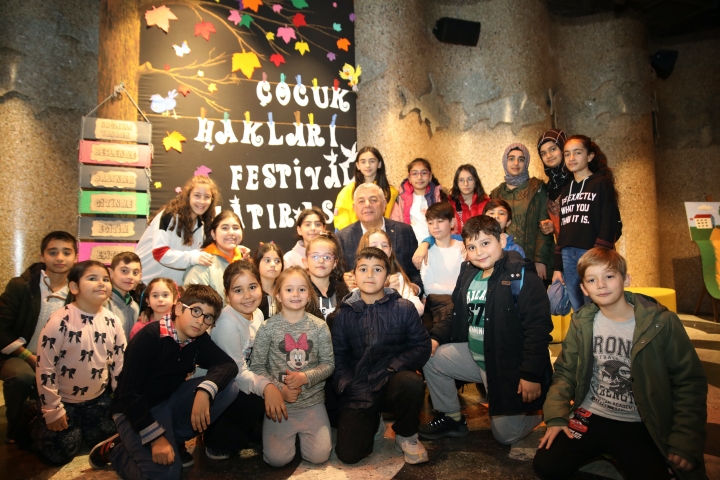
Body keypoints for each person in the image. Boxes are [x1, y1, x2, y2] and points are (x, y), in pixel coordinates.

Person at [533, 248, 708, 480]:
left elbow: (688, 382)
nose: (601, 285)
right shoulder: (582, 322)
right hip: (592, 414)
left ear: (626, 279)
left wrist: (684, 439)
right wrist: (556, 416)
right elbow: (565, 373)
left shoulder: (661, 323)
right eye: (592, 280)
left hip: (640, 420)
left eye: (609, 276)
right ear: (584, 288)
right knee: (546, 465)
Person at [419, 215, 553, 445]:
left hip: (508, 367)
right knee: (429, 356)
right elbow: (456, 313)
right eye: (472, 247)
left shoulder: (521, 276)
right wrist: (435, 338)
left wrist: (530, 374)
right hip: (477, 359)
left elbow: (538, 329)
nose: (479, 252)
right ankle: (452, 418)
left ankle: (541, 411)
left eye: (485, 243)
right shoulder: (468, 273)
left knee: (505, 436)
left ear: (501, 240)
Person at [89, 284, 239, 478]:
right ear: (179, 308)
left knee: (228, 388)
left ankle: (173, 440)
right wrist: (156, 439)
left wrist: (205, 391)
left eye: (208, 317)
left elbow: (227, 364)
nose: (200, 321)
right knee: (166, 476)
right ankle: (116, 450)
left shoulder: (198, 340)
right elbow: (128, 394)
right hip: (134, 411)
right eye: (196, 311)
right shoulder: (149, 337)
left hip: (168, 402)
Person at [333, 247, 431, 465]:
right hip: (360, 388)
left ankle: (406, 434)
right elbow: (339, 358)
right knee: (349, 455)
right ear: (354, 275)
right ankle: (372, 419)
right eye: (363, 269)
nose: (370, 275)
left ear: (387, 276)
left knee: (411, 383)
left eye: (377, 269)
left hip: (391, 380)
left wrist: (392, 367)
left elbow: (421, 346)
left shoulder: (404, 308)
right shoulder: (342, 315)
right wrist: (348, 385)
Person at [32, 260, 125, 465]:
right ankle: (33, 414)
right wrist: (52, 410)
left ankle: (83, 426)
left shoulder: (113, 320)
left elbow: (119, 364)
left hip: (97, 399)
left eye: (105, 279)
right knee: (58, 454)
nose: (101, 283)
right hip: (64, 400)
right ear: (74, 287)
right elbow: (45, 367)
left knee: (113, 439)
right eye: (92, 278)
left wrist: (120, 401)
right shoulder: (59, 321)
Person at [249, 267, 334, 467]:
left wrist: (305, 377)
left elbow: (328, 364)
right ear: (278, 295)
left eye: (301, 289)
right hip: (280, 406)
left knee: (319, 456)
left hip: (312, 403)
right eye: (289, 290)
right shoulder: (267, 328)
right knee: (277, 460)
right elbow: (257, 367)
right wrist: (280, 391)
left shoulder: (320, 327)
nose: (296, 294)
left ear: (309, 295)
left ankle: (304, 437)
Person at [202, 261, 285, 460]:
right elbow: (236, 372)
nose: (247, 295)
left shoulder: (257, 314)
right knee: (255, 395)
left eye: (252, 287)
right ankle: (216, 440)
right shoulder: (227, 323)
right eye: (238, 290)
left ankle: (247, 432)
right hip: (223, 388)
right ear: (227, 295)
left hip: (244, 378)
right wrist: (268, 387)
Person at [0, 231, 78, 444]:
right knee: (21, 377)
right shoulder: (22, 286)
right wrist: (29, 357)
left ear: (75, 257)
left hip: (57, 357)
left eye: (66, 252)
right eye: (53, 252)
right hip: (19, 354)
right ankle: (15, 429)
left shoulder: (77, 290)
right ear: (42, 256)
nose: (59, 258)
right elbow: (2, 329)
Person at [552, 136, 623, 313]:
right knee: (578, 307)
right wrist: (558, 267)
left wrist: (599, 253)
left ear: (590, 156)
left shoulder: (601, 183)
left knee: (597, 303)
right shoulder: (566, 190)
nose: (571, 158)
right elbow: (564, 229)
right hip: (568, 254)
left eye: (577, 153)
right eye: (567, 154)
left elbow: (609, 221)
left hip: (591, 252)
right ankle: (583, 332)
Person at [336, 183, 422, 292]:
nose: (367, 204)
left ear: (384, 204)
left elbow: (416, 273)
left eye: (373, 200)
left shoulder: (404, 231)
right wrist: (345, 283)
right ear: (354, 208)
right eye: (361, 201)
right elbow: (336, 278)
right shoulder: (342, 238)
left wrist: (414, 289)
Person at [135, 175, 220, 284]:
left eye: (207, 197)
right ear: (188, 196)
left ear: (212, 200)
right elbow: (159, 253)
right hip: (144, 286)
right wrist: (192, 258)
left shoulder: (202, 227)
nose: (202, 201)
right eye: (197, 195)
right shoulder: (169, 216)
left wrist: (233, 249)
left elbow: (204, 256)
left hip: (171, 291)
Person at [489, 143, 554, 280]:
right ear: (505, 161)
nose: (516, 163)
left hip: (532, 260)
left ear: (527, 162)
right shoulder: (496, 193)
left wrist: (540, 260)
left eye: (521, 159)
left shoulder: (537, 188)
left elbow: (544, 227)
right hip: (505, 262)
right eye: (511, 158)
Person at [183, 210, 249, 301]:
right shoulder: (202, 263)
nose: (231, 232)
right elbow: (194, 303)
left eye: (236, 228)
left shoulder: (244, 262)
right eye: (225, 228)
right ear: (213, 234)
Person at [355, 229, 424, 315]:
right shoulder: (358, 279)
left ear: (390, 251)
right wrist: (386, 292)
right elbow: (362, 313)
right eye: (374, 246)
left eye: (384, 246)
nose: (380, 249)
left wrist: (394, 296)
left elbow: (418, 309)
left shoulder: (398, 278)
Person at [420, 202, 466, 329]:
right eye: (430, 223)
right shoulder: (426, 252)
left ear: (452, 222)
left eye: (440, 221)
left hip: (462, 303)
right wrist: (458, 290)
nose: (435, 226)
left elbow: (467, 281)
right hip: (436, 305)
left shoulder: (463, 248)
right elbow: (429, 288)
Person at [334, 146, 399, 231]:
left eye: (372, 161)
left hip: (384, 236)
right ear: (358, 165)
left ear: (379, 164)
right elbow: (342, 225)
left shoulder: (391, 192)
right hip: (355, 237)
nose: (367, 165)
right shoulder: (347, 191)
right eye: (363, 162)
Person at [391, 158, 444, 244]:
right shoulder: (400, 199)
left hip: (436, 245)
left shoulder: (439, 197)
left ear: (430, 176)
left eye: (424, 173)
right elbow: (396, 225)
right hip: (409, 246)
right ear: (409, 178)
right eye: (415, 174)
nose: (419, 177)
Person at [304, 233, 349, 328]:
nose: (321, 261)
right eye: (315, 256)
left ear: (335, 263)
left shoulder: (345, 293)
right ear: (305, 261)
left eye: (327, 257)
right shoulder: (300, 292)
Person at [537, 129, 571, 237]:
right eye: (543, 153)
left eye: (553, 149)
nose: (548, 156)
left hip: (589, 245)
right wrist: (552, 226)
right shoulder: (550, 186)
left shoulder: (578, 179)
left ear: (563, 148)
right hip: (563, 245)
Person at [106, 252, 142, 343]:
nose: (130, 277)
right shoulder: (103, 304)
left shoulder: (135, 306)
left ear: (140, 276)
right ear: (110, 273)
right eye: (124, 271)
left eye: (135, 273)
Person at [449, 164, 489, 233]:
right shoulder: (449, 203)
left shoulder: (487, 203)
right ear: (456, 183)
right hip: (455, 239)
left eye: (470, 179)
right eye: (461, 180)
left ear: (476, 181)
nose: (466, 184)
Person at [252, 242, 284, 319]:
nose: (273, 264)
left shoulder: (284, 291)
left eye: (277, 261)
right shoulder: (252, 292)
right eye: (267, 260)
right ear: (257, 263)